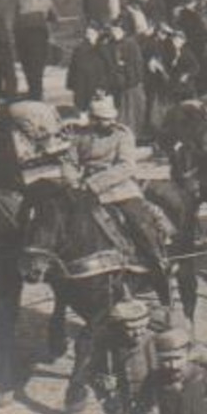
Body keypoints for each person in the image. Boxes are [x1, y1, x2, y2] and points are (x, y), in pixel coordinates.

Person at [74, 96, 171, 292]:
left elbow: (126, 166)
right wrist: (73, 181)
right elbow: (69, 161)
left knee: (139, 221)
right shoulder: (80, 135)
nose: (108, 123)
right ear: (92, 119)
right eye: (102, 119)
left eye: (110, 118)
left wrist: (94, 184)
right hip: (84, 188)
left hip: (119, 188)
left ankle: (158, 264)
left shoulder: (122, 134)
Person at [12, 0, 59, 102]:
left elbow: (16, 17)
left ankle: (32, 90)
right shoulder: (46, 0)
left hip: (20, 35)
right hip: (37, 34)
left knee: (27, 63)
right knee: (38, 64)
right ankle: (37, 95)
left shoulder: (20, 0)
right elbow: (54, 18)